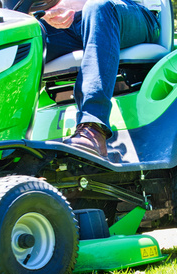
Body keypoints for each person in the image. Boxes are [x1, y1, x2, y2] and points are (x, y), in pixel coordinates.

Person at [40, 0, 160, 157]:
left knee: (98, 6)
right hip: (74, 22)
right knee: (27, 31)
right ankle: (8, 136)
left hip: (125, 14)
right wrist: (45, 14)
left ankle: (93, 127)